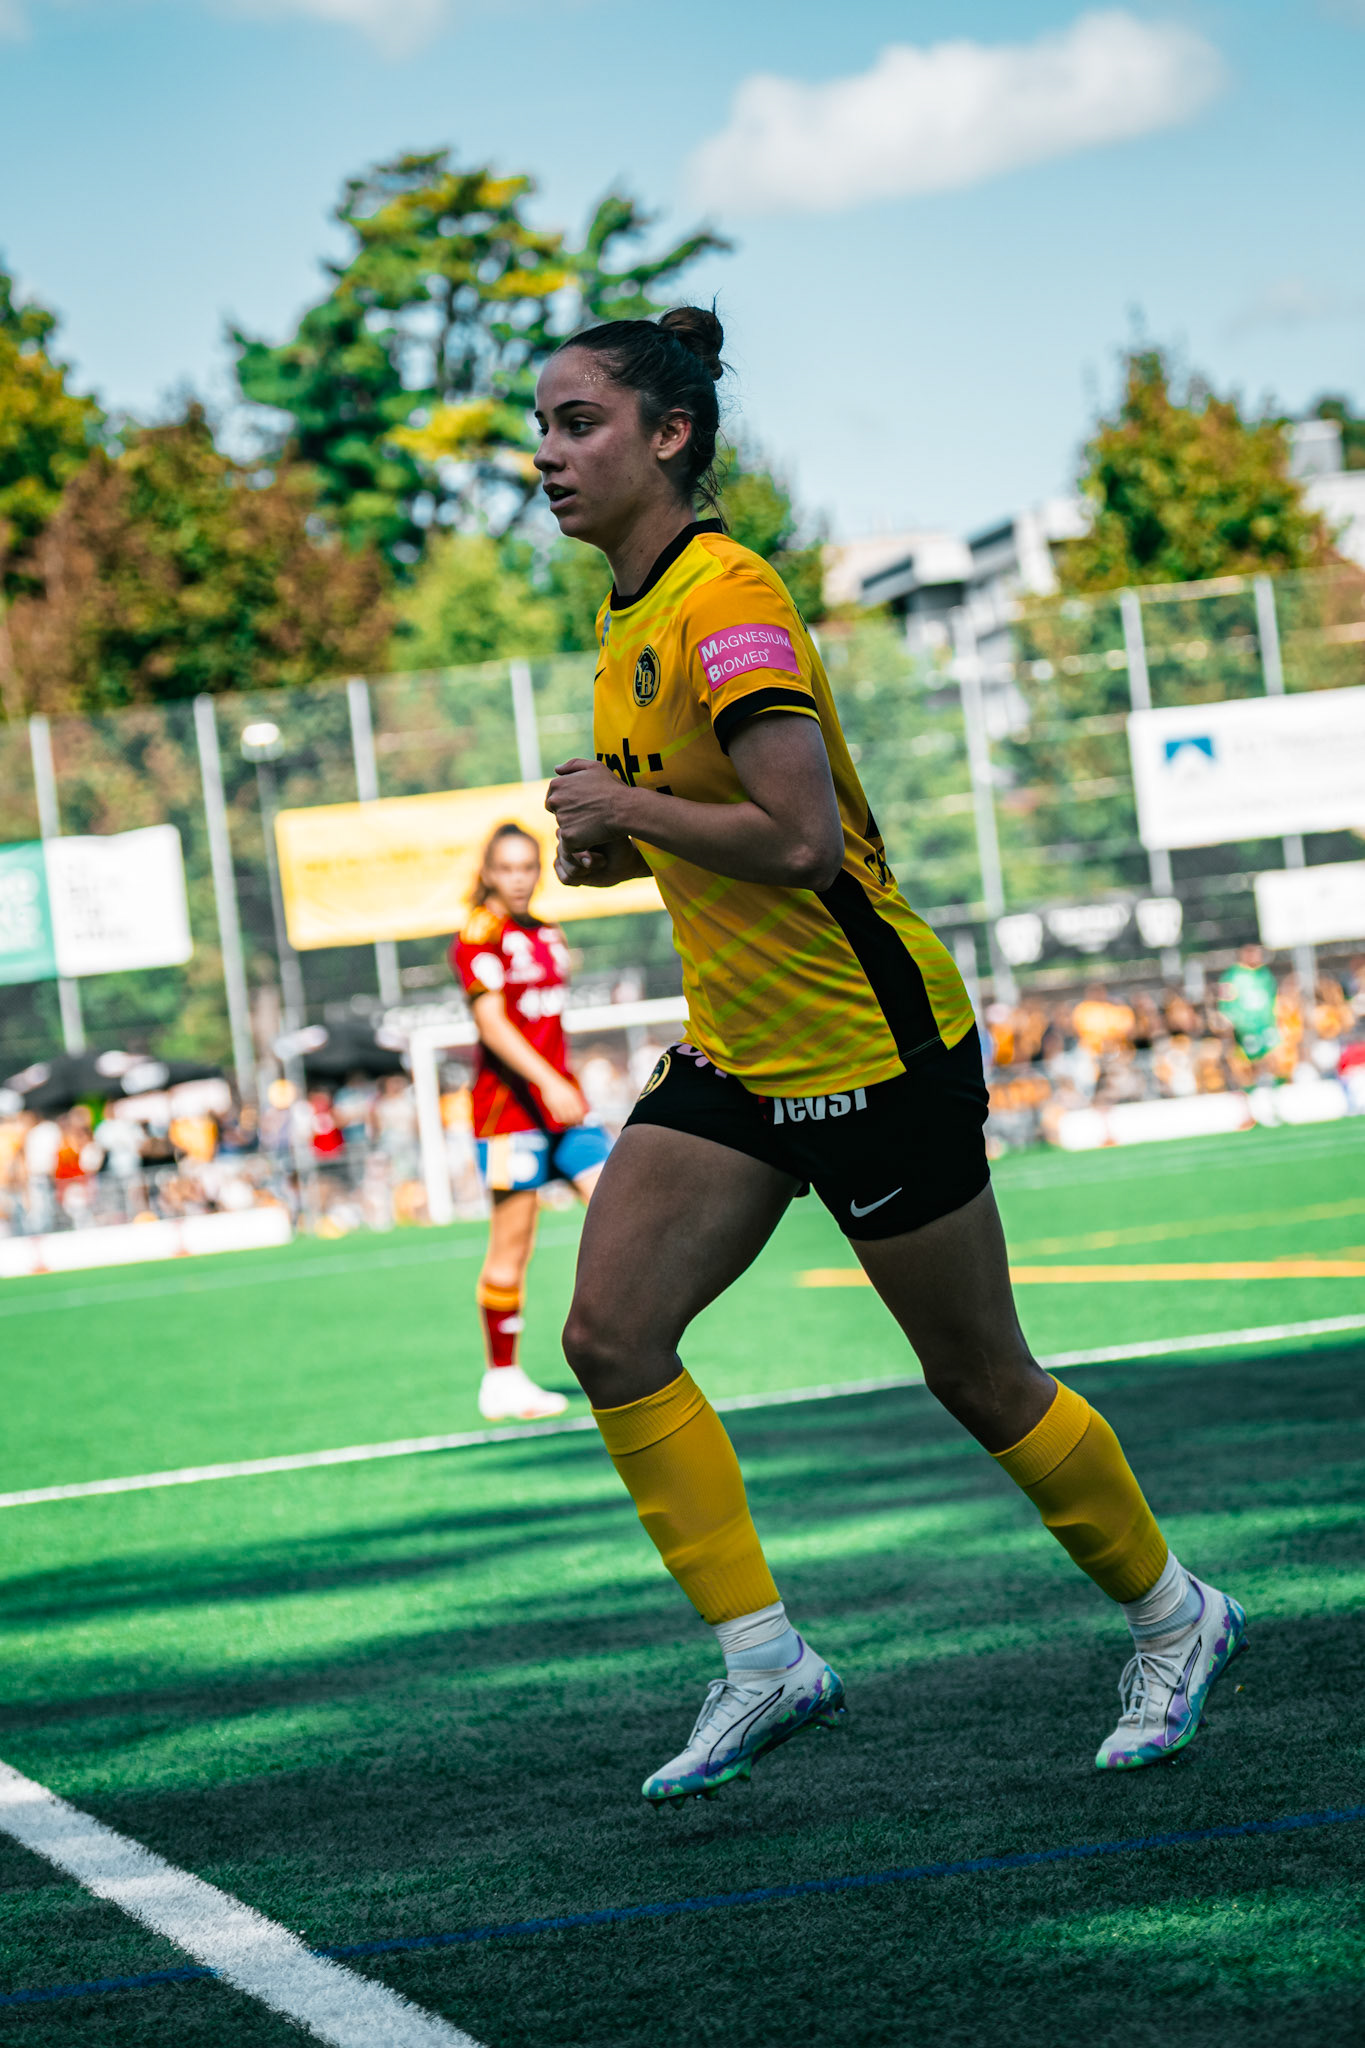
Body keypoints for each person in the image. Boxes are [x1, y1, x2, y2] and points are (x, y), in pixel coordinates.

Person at [537, 305, 1246, 1807]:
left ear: (670, 437)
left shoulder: (729, 601)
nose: (548, 455)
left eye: (579, 421)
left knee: (979, 1380)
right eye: (541, 426)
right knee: (607, 1339)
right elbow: (685, 823)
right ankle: (763, 1660)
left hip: (871, 1043)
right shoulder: (627, 609)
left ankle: (1179, 1619)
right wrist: (606, 838)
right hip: (740, 1055)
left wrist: (631, 806)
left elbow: (797, 841)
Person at [451, 823, 612, 1421]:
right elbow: (492, 1025)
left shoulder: (547, 931)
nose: (519, 879)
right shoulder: (479, 935)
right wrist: (548, 1080)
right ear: (489, 873)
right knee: (511, 1249)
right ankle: (501, 1378)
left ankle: (622, 1344)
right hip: (510, 1116)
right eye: (508, 868)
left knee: (621, 1210)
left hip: (565, 1114)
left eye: (527, 868)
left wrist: (560, 1085)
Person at [1217, 943, 1280, 1069]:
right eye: (1249, 952)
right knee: (1247, 1064)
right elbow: (1224, 1002)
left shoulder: (1264, 974)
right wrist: (1227, 1020)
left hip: (1267, 1027)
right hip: (1244, 1031)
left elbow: (1273, 997)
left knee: (1275, 1060)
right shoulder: (1232, 976)